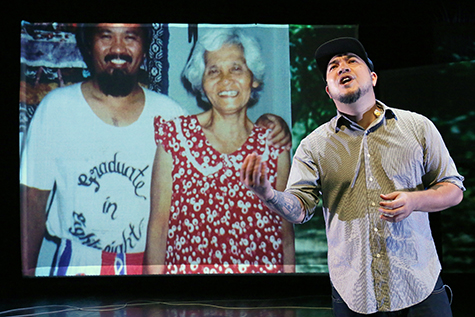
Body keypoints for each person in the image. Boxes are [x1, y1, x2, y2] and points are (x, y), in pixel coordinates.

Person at [20, 23, 291, 276]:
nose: (118, 48)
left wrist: (273, 124)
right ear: (88, 44)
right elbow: (31, 205)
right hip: (78, 266)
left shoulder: (169, 115)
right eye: (105, 36)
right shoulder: (56, 109)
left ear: (145, 46)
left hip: (150, 265)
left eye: (130, 36)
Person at [240, 37, 465, 315]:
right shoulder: (314, 145)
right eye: (333, 66)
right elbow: (300, 210)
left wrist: (414, 201)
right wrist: (268, 194)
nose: (341, 67)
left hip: (419, 283)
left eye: (351, 60)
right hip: (354, 292)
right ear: (328, 90)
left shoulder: (418, 127)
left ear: (372, 76)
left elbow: (453, 189)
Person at [144, 28, 295, 275]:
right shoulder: (174, 137)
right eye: (213, 70)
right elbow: (158, 228)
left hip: (260, 301)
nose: (225, 80)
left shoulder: (274, 145)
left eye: (236, 68)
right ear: (201, 84)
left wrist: (289, 303)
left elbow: (285, 234)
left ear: (253, 78)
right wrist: (152, 303)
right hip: (188, 300)